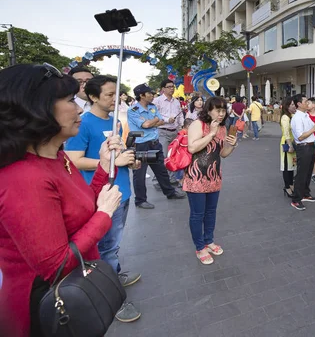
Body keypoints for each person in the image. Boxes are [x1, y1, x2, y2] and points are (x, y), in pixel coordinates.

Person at [0, 64, 123, 337]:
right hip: (45, 308)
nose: (79, 109)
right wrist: (104, 216)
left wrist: (103, 167)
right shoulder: (23, 177)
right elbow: (55, 266)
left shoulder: (55, 156)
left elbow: (81, 208)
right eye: (69, 101)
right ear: (36, 108)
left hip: (75, 292)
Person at [64, 75, 141, 323]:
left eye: (116, 94)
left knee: (113, 245)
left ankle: (114, 274)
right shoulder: (82, 123)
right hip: (101, 195)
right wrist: (109, 163)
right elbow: (74, 160)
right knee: (104, 248)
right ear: (94, 96)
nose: (114, 99)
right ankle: (112, 298)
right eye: (109, 94)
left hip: (122, 191)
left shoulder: (115, 122)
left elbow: (116, 156)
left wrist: (129, 161)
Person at [183, 97, 238, 265]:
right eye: (217, 110)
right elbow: (192, 147)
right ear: (208, 110)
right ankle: (200, 247)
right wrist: (212, 134)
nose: (221, 114)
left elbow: (222, 154)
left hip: (214, 176)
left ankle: (209, 240)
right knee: (197, 214)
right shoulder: (197, 124)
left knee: (211, 212)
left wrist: (233, 145)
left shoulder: (222, 127)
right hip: (196, 177)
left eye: (223, 110)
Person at [127, 84, 185, 209]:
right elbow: (146, 125)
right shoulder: (133, 110)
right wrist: (154, 121)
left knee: (161, 170)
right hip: (141, 145)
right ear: (141, 96)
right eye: (149, 93)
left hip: (154, 142)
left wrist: (152, 121)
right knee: (140, 174)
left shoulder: (152, 107)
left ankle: (169, 192)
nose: (152, 95)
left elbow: (160, 121)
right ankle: (140, 200)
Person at [290, 94, 315, 211]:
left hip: (310, 145)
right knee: (302, 173)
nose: (307, 103)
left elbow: (310, 130)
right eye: (305, 101)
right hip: (303, 147)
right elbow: (300, 136)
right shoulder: (297, 118)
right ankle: (296, 199)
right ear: (299, 104)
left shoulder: (305, 115)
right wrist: (314, 129)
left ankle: (305, 193)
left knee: (308, 172)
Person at [154, 79, 184, 184]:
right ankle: (158, 179)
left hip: (174, 131)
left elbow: (180, 114)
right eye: (169, 87)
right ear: (163, 89)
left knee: (173, 155)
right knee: (164, 156)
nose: (172, 88)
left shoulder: (176, 101)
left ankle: (171, 179)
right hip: (162, 131)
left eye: (173, 87)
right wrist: (167, 120)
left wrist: (182, 125)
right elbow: (155, 116)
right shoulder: (157, 101)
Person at [280, 97, 297, 198]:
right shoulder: (285, 117)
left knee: (292, 166)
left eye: (294, 104)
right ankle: (287, 187)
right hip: (287, 143)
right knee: (286, 166)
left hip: (294, 142)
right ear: (287, 106)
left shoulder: (293, 115)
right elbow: (286, 133)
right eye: (292, 105)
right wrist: (290, 145)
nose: (294, 106)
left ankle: (291, 184)